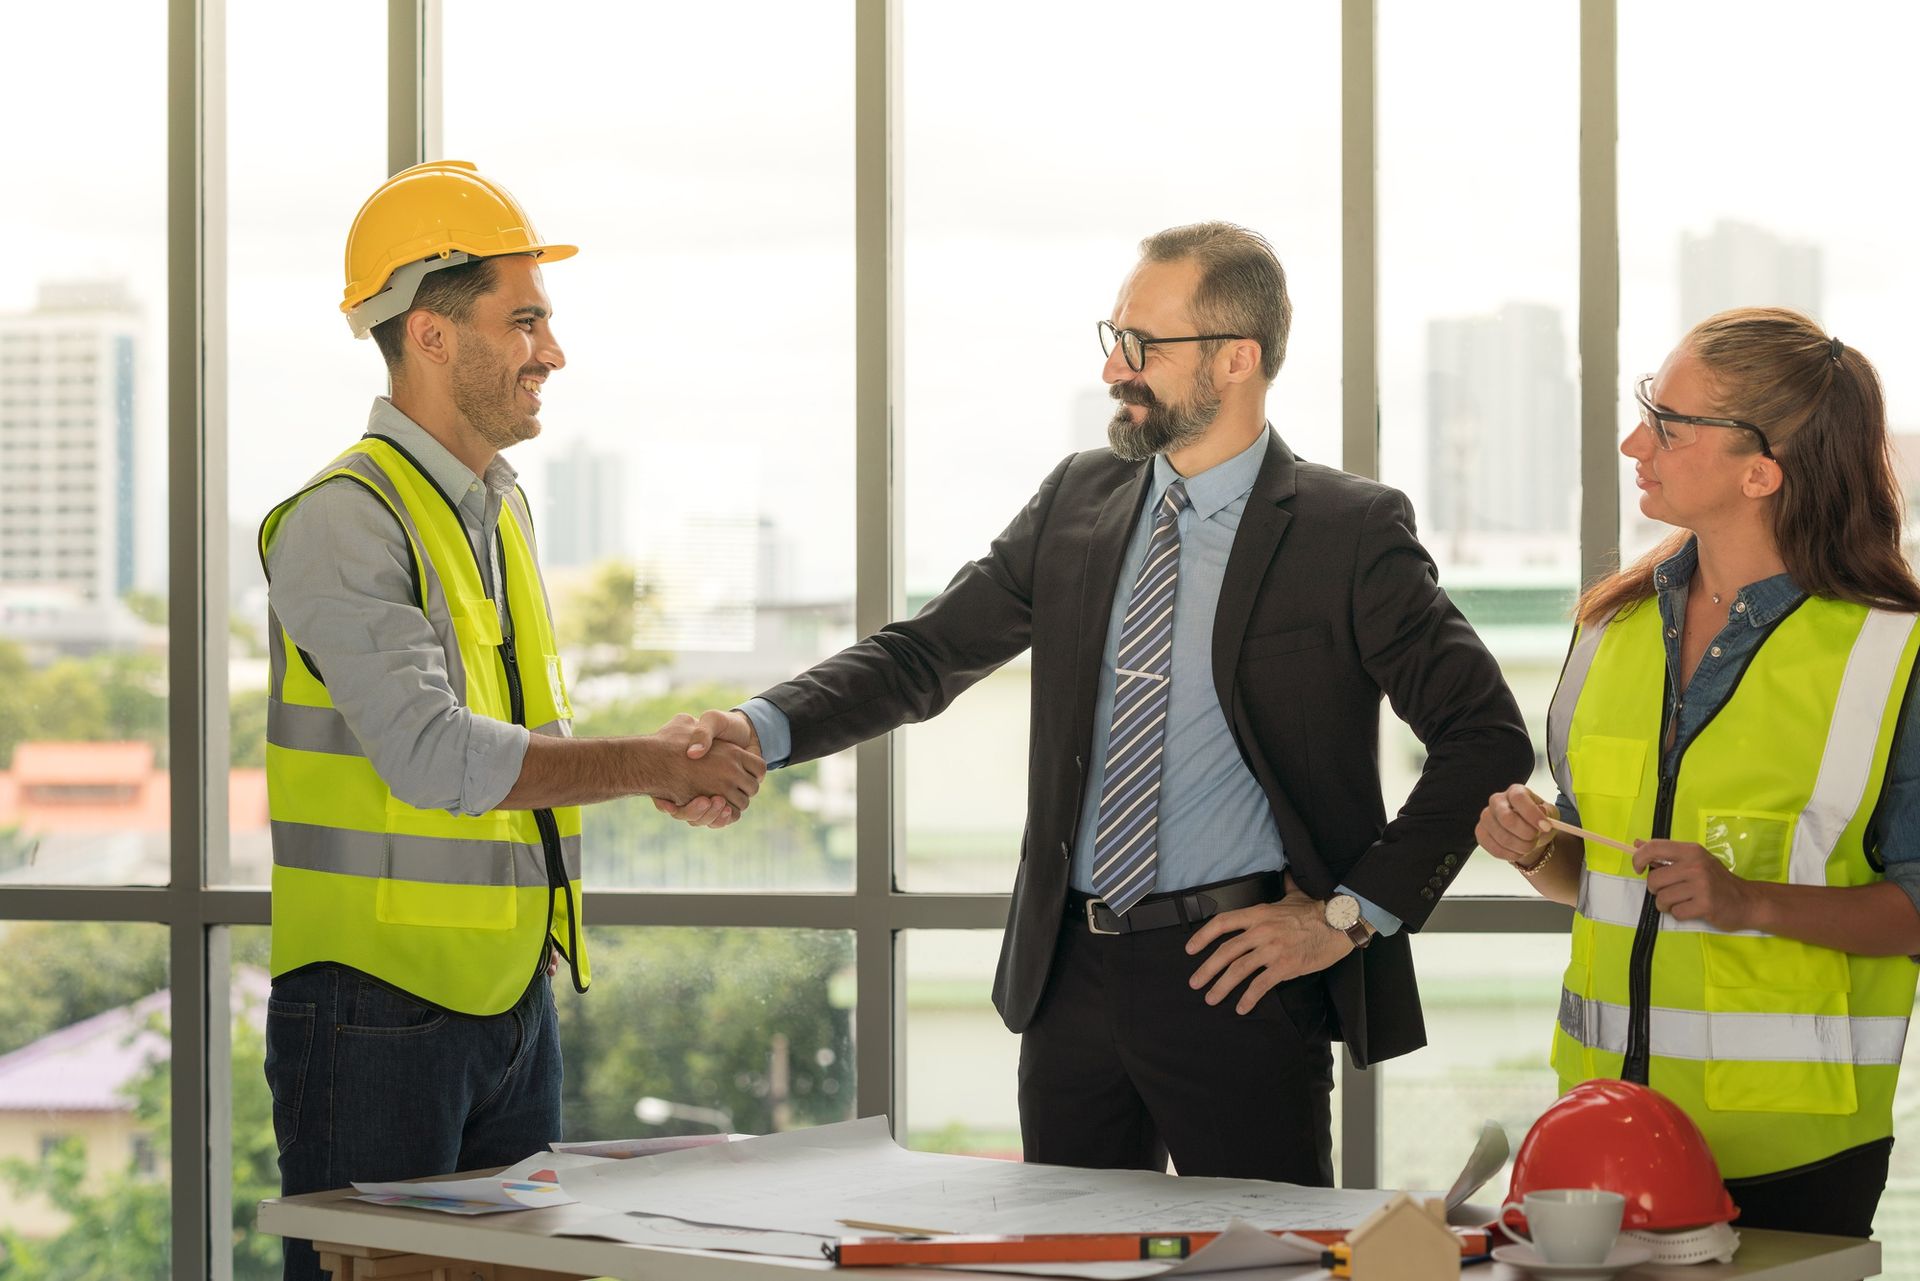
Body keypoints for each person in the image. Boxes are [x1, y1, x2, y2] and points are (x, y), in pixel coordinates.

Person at [666, 222, 1532, 1181]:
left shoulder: (1348, 531)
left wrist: (1345, 916)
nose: (1117, 366)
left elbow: (1484, 736)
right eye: (1112, 336)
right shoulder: (1076, 498)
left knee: (1255, 1261)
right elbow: (926, 653)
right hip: (1067, 974)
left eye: (1143, 345)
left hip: (1240, 978)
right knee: (1068, 1256)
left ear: (1237, 359)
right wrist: (758, 727)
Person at [259, 161, 763, 1281]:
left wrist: (662, 755)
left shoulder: (497, 504)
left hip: (506, 1001)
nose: (553, 351)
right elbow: (436, 754)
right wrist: (648, 764)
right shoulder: (344, 521)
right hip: (377, 1016)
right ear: (432, 335)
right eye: (524, 319)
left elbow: (524, 729)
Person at [1476, 307, 1920, 1238]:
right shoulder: (1612, 629)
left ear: (1762, 471)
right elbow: (1594, 871)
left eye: (1671, 426)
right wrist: (1533, 847)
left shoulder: (1895, 654)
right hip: (1598, 1135)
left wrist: (1749, 901)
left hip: (1793, 1153)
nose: (1638, 441)